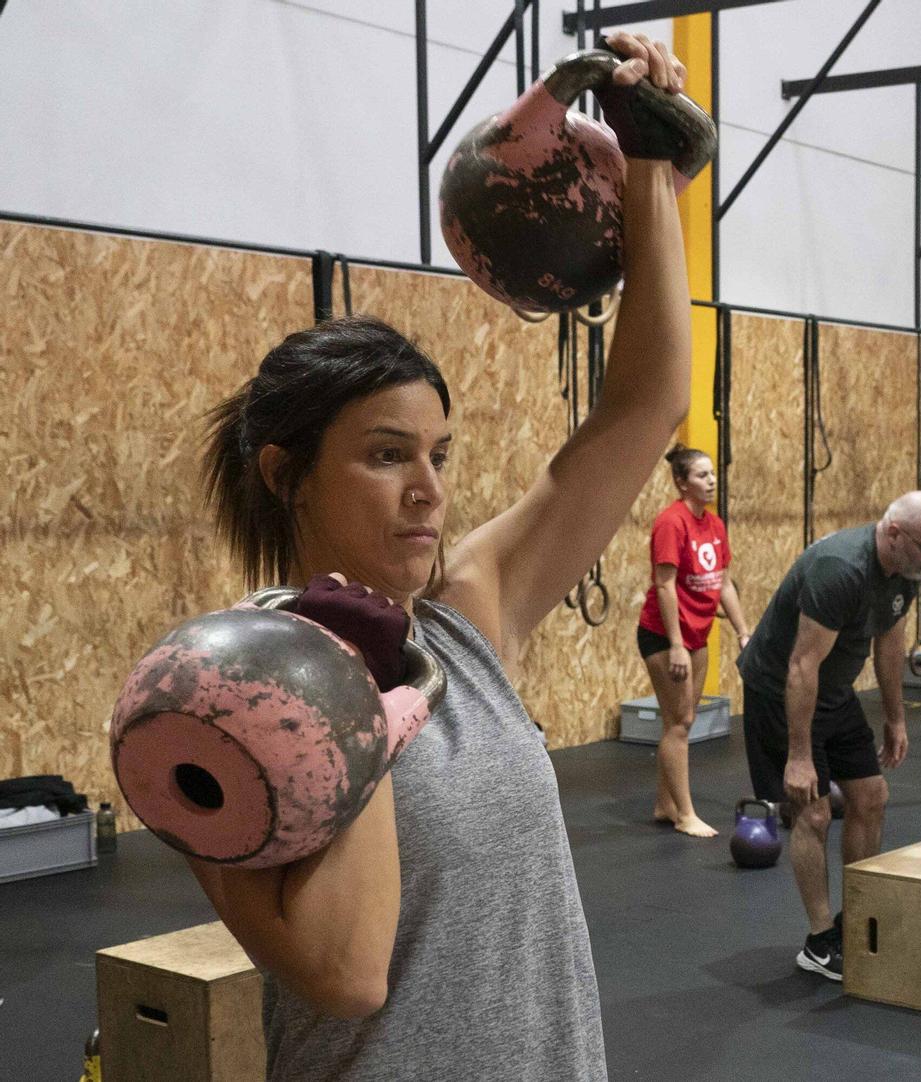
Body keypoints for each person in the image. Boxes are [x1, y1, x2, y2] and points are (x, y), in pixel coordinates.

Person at [186, 31, 691, 1081]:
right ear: (286, 473)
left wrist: (649, 167)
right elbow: (344, 973)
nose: (429, 488)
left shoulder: (465, 614)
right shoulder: (229, 697)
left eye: (438, 454)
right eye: (384, 456)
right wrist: (360, 678)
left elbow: (643, 405)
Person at [735, 492, 921, 982]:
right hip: (780, 691)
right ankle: (819, 941)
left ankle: (857, 917)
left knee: (871, 795)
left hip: (832, 692)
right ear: (894, 534)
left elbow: (890, 643)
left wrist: (896, 718)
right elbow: (800, 666)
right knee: (812, 811)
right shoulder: (841, 570)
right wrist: (799, 756)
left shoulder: (905, 571)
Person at [637, 445, 750, 836]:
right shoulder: (672, 523)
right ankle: (685, 814)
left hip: (697, 634)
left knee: (678, 720)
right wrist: (676, 644)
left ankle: (664, 804)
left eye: (712, 473)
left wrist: (743, 630)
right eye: (702, 475)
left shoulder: (714, 525)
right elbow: (664, 586)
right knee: (681, 723)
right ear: (681, 482)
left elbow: (723, 584)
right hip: (664, 635)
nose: (711, 480)